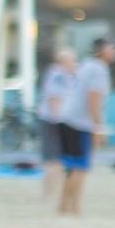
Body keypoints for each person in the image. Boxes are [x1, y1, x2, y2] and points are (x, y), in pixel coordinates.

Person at [58, 38, 115, 216]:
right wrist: (98, 128)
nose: (114, 50)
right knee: (80, 167)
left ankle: (63, 206)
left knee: (71, 167)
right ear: (103, 51)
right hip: (80, 123)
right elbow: (93, 100)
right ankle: (74, 207)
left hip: (67, 118)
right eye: (111, 47)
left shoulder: (87, 65)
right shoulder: (99, 70)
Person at [37, 46, 76, 200]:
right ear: (64, 61)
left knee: (56, 160)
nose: (75, 63)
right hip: (52, 121)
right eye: (73, 60)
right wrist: (58, 122)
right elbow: (54, 99)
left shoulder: (63, 75)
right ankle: (50, 194)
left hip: (54, 120)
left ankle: (53, 193)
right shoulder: (57, 75)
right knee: (54, 160)